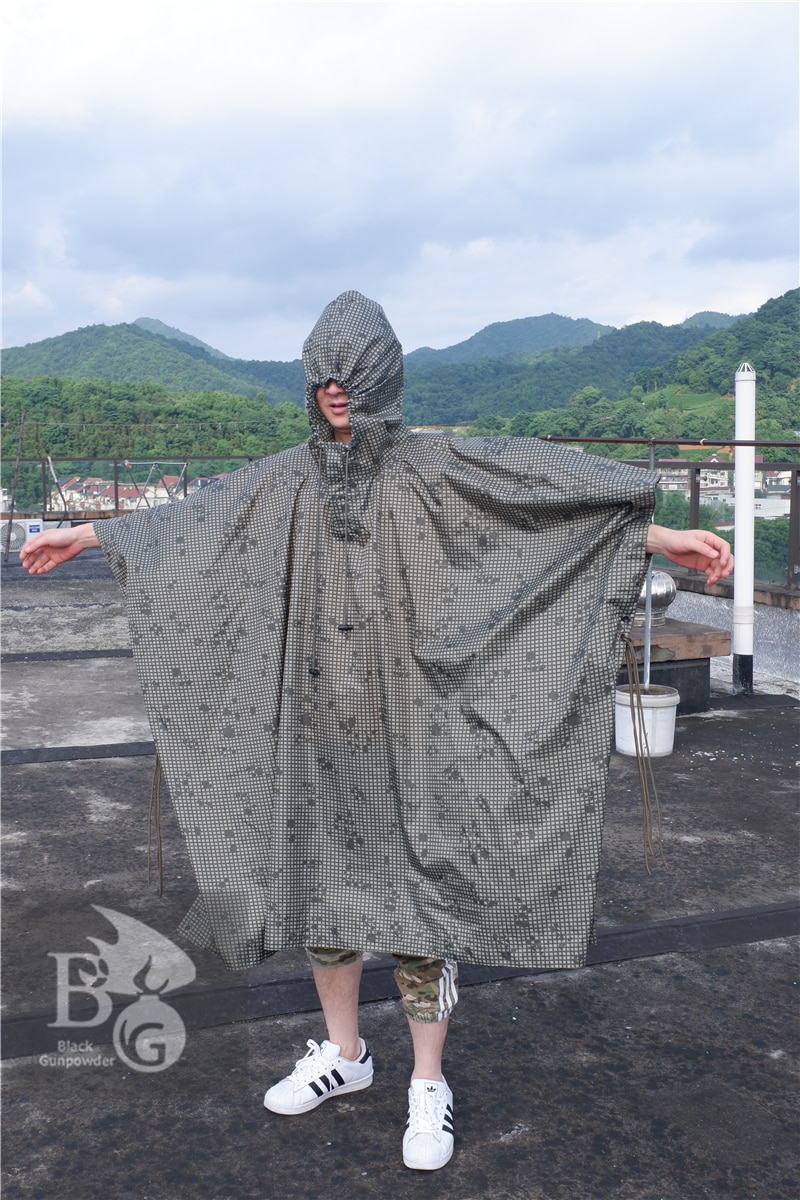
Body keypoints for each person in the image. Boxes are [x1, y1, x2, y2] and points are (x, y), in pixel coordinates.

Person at [21, 291, 733, 1172]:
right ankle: (345, 1054)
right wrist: (86, 534)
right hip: (318, 727)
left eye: (350, 374)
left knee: (417, 905)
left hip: (417, 727)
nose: (334, 390)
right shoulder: (286, 478)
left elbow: (540, 501)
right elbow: (194, 520)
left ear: (382, 377)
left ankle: (425, 1082)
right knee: (326, 900)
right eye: (321, 373)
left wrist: (659, 537)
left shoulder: (437, 470)